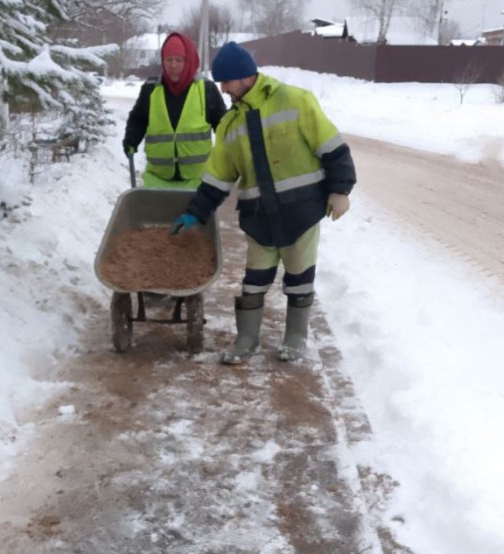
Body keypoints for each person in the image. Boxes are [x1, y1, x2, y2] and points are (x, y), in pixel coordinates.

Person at [172, 41, 356, 363]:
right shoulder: (230, 125)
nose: (224, 89)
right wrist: (194, 213)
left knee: (299, 278)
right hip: (259, 218)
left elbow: (333, 149)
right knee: (254, 281)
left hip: (301, 211)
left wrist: (340, 190)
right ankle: (246, 340)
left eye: (226, 82)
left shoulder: (296, 101)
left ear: (243, 77)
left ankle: (296, 338)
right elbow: (217, 178)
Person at [123, 32, 227, 189]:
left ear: (189, 60)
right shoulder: (151, 89)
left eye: (179, 60)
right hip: (158, 181)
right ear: (162, 61)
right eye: (168, 60)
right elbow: (138, 119)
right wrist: (131, 140)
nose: (173, 66)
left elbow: (223, 125)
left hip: (197, 182)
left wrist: (230, 152)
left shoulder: (206, 89)